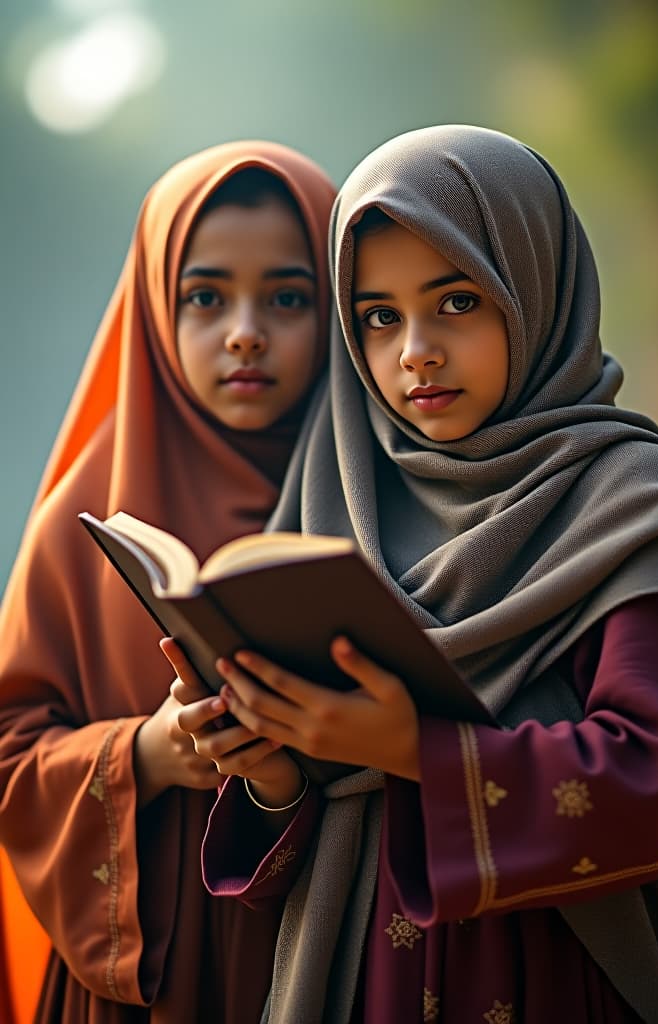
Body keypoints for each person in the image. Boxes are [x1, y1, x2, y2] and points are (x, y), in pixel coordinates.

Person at [176, 126, 658, 1023]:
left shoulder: (631, 503)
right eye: (378, 316)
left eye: (456, 302)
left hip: (555, 970)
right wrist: (271, 766)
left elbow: (656, 772)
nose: (414, 352)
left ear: (536, 287)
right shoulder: (340, 495)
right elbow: (309, 819)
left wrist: (411, 750)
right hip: (364, 970)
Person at [0, 139, 335, 1023]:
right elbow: (8, 754)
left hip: (340, 942)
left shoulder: (386, 495)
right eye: (205, 296)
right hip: (152, 967)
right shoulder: (87, 517)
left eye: (290, 297)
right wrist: (144, 755)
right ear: (154, 307)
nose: (245, 331)